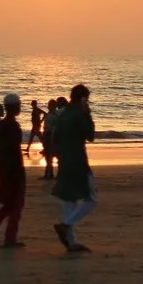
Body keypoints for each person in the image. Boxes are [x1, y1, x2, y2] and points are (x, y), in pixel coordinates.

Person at [52, 84, 97, 252]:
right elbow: (90, 135)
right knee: (91, 198)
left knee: (69, 200)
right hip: (77, 161)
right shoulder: (79, 114)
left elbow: (55, 139)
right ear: (83, 99)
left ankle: (70, 242)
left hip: (64, 161)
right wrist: (88, 114)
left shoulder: (63, 115)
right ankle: (66, 225)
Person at [0, 93, 26, 247]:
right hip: (13, 167)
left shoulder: (1, 125)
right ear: (15, 107)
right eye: (18, 105)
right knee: (16, 202)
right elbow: (14, 147)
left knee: (11, 201)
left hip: (5, 166)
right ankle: (8, 237)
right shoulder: (12, 126)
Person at [41, 98, 59, 179]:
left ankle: (49, 173)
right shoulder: (50, 114)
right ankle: (49, 172)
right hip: (46, 134)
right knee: (47, 154)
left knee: (50, 154)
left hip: (50, 135)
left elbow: (55, 127)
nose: (48, 106)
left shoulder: (55, 115)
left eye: (50, 105)